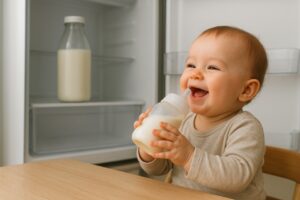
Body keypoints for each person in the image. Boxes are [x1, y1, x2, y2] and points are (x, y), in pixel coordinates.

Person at [133, 26, 268, 199]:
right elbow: (160, 169)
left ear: (246, 90)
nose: (195, 74)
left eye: (212, 67)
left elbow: (237, 177)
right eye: (191, 65)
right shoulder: (183, 119)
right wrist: (150, 148)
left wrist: (188, 156)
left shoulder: (245, 127)